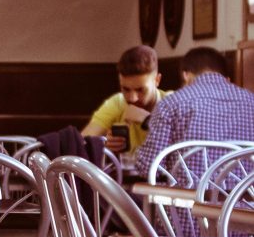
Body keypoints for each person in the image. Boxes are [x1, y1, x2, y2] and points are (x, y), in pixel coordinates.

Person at [134, 46, 254, 180]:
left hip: (187, 199)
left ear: (186, 75)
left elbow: (148, 167)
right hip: (245, 198)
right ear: (227, 78)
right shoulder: (251, 102)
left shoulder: (170, 104)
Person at [81, 44, 169, 156]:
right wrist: (101, 144)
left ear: (157, 80)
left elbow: (184, 144)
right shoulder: (117, 103)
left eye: (140, 90)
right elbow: (81, 142)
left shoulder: (173, 102)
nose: (132, 98)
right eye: (126, 89)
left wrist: (147, 120)